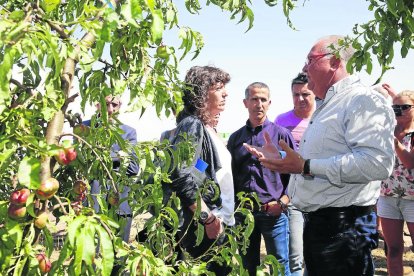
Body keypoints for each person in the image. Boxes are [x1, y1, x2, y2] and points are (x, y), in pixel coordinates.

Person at [243, 35, 395, 276]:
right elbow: (324, 156)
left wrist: (305, 165)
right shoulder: (329, 105)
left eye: (310, 60)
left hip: (345, 229)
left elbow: (377, 163)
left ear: (334, 61)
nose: (304, 68)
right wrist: (285, 158)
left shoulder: (362, 100)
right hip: (323, 226)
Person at [166, 65, 235, 275]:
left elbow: (198, 169)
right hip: (206, 225)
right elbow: (180, 174)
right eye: (218, 88)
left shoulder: (206, 128)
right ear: (202, 93)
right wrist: (207, 218)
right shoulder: (192, 125)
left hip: (219, 220)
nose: (226, 93)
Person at [227, 82, 295, 276]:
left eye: (263, 99)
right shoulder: (235, 139)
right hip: (244, 215)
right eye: (254, 99)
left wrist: (282, 203)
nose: (259, 104)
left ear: (270, 103)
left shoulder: (282, 136)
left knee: (279, 266)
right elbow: (230, 176)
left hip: (273, 213)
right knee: (247, 265)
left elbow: (296, 176)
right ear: (245, 103)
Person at [83, 95, 139, 243]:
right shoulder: (85, 128)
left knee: (118, 256)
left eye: (114, 104)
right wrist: (119, 157)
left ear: (119, 106)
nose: (110, 109)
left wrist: (101, 156)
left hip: (121, 204)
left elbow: (133, 167)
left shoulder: (128, 132)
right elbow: (83, 161)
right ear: (97, 104)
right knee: (91, 257)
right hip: (93, 204)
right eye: (105, 103)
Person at [274, 72, 315, 276]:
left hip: (320, 196)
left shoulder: (321, 119)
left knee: (316, 256)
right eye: (295, 94)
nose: (300, 99)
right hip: (294, 197)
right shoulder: (282, 120)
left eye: (305, 94)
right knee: (296, 256)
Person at [378, 90, 414, 276]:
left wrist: (394, 142)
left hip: (412, 199)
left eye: (405, 107)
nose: (399, 111)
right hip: (387, 196)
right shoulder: (387, 131)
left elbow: (410, 162)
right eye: (395, 107)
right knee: (393, 250)